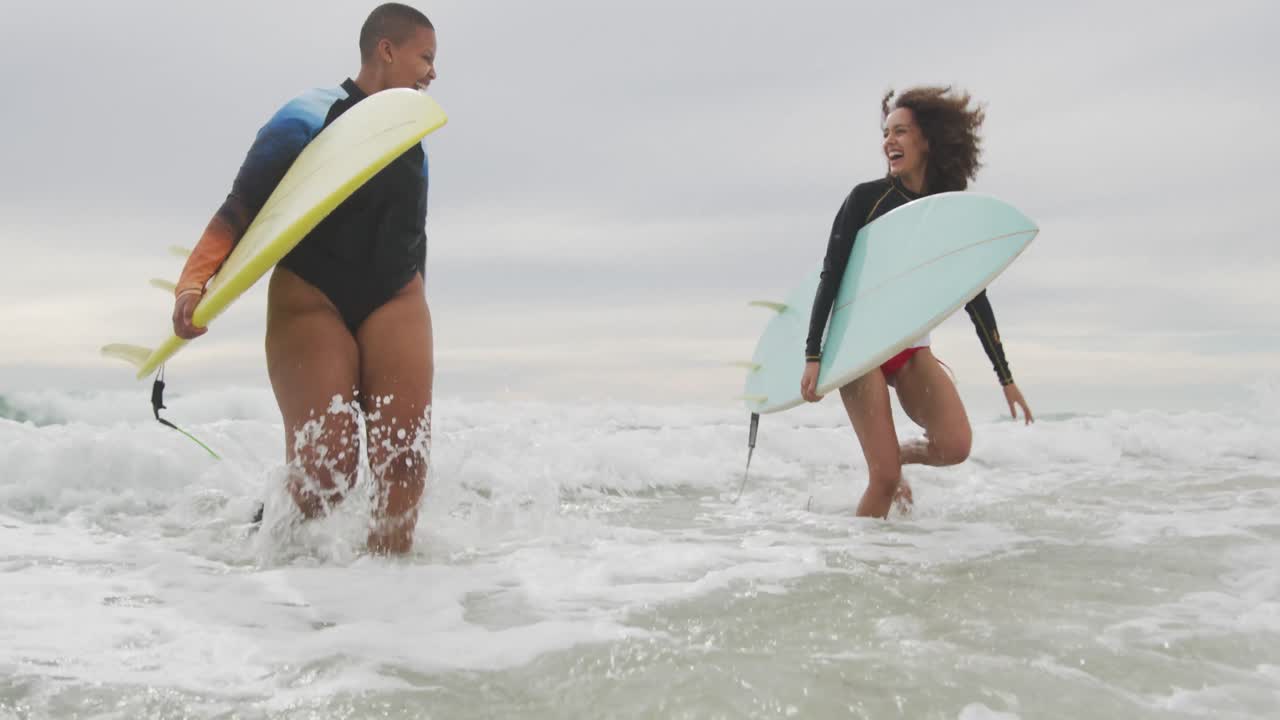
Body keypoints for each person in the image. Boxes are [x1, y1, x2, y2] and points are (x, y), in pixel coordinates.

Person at [170, 3, 439, 554]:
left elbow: (414, 232)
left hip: (396, 294)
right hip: (312, 292)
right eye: (425, 57)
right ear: (387, 50)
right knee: (327, 470)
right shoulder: (309, 112)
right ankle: (265, 548)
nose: (433, 72)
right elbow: (241, 205)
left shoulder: (413, 134)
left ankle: (395, 609)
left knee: (404, 463)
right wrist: (193, 284)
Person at [800, 86, 1033, 519]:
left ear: (928, 139)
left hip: (909, 346)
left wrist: (1006, 377)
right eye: (886, 133)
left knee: (954, 446)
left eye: (901, 132)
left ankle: (894, 456)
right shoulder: (865, 200)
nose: (889, 141)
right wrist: (813, 354)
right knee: (884, 480)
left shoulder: (946, 208)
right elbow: (830, 275)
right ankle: (865, 564)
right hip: (860, 349)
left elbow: (972, 293)